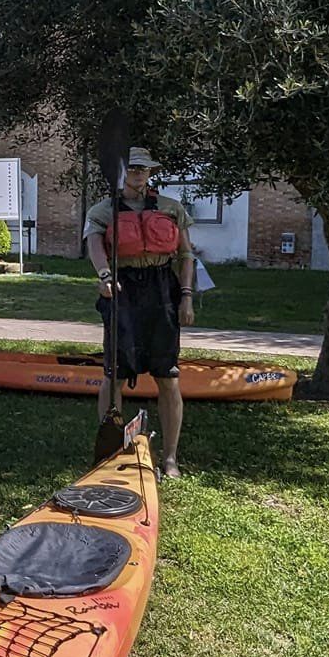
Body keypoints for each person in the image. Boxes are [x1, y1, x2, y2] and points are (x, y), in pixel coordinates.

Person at [83, 146, 196, 477]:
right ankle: (111, 448)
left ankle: (171, 457)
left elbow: (186, 255)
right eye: (132, 169)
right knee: (113, 374)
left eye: (144, 170)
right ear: (122, 172)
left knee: (168, 375)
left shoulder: (170, 208)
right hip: (123, 290)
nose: (138, 174)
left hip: (162, 289)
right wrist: (105, 276)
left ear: (151, 173)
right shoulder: (104, 210)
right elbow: (94, 246)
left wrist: (186, 296)